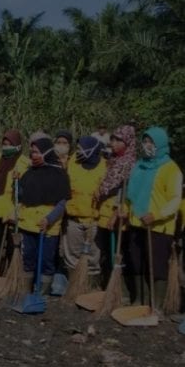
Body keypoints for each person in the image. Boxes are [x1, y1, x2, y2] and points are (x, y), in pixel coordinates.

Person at [124, 127, 182, 308]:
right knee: (136, 262)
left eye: (151, 142)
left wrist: (156, 215)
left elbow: (175, 200)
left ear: (161, 144)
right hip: (136, 223)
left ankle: (156, 305)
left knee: (156, 266)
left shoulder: (171, 169)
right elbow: (130, 194)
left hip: (158, 226)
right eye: (145, 141)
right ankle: (139, 300)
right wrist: (124, 210)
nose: (147, 145)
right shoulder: (138, 166)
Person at [17, 137, 70, 295]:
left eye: (37, 152)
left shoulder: (60, 175)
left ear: (46, 153)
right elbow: (21, 196)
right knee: (28, 258)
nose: (33, 155)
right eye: (32, 152)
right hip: (28, 224)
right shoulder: (28, 173)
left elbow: (62, 203)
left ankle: (42, 292)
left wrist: (49, 219)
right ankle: (27, 290)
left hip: (48, 226)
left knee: (47, 259)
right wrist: (16, 183)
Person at [62, 136, 106, 286]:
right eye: (78, 148)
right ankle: (74, 286)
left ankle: (91, 286)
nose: (79, 151)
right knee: (72, 255)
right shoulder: (73, 163)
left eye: (83, 148)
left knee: (93, 257)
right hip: (74, 218)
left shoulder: (104, 166)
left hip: (94, 220)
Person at [94, 125, 136, 282]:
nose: (114, 143)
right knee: (105, 250)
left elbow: (126, 193)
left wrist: (116, 212)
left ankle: (120, 289)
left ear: (128, 142)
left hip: (118, 214)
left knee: (118, 252)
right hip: (104, 212)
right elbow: (105, 181)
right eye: (113, 139)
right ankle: (106, 284)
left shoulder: (129, 164)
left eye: (119, 140)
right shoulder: (112, 160)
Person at [0, 129, 29, 269]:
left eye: (10, 144)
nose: (6, 147)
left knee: (12, 245)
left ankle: (10, 273)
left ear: (17, 145)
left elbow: (25, 189)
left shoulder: (24, 162)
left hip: (12, 210)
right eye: (4, 144)